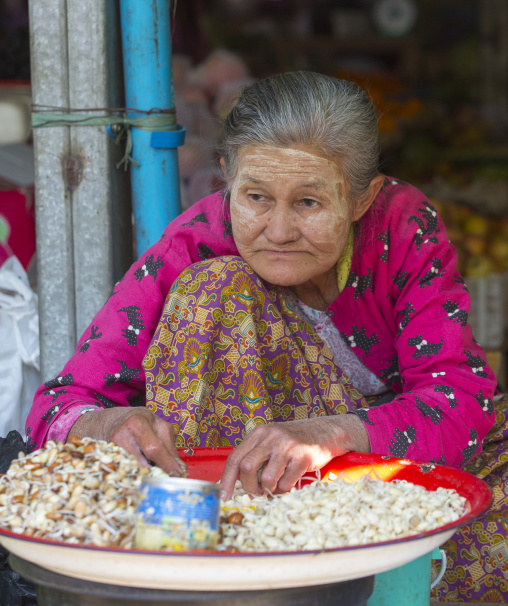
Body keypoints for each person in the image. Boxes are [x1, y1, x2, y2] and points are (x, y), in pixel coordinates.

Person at [26, 72, 506, 601]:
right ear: (228, 178)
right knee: (218, 291)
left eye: (308, 203)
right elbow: (58, 405)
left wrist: (335, 432)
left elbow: (457, 395)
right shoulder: (196, 245)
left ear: (363, 199)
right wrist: (110, 422)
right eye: (255, 196)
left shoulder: (400, 226)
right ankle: (226, 577)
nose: (277, 231)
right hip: (234, 497)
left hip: (364, 480)